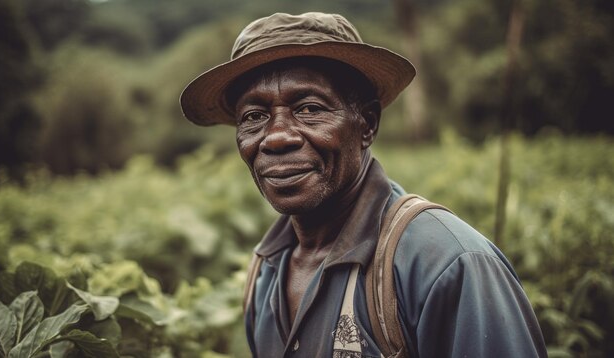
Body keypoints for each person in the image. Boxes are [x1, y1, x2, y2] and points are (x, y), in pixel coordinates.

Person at [180, 12, 547, 358]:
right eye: (254, 116)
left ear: (367, 124)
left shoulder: (449, 264)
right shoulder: (265, 274)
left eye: (309, 108)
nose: (276, 137)